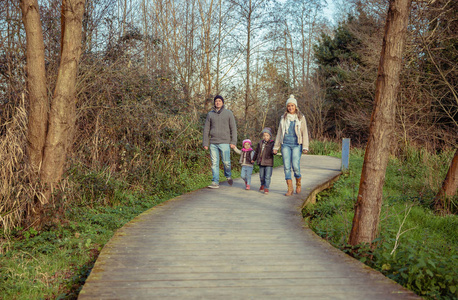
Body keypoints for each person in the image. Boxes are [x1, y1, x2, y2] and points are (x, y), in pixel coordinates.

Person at [273, 95, 309, 196]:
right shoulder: (283, 118)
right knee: (287, 166)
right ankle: (290, 188)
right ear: (287, 107)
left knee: (295, 165)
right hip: (285, 144)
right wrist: (276, 147)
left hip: (297, 144)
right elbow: (279, 133)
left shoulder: (301, 118)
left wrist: (305, 147)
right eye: (289, 106)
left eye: (292, 105)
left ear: (295, 106)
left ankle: (298, 182)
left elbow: (304, 132)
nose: (290, 108)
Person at [203, 95, 237, 189]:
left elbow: (233, 128)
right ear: (214, 103)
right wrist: (205, 143)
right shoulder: (210, 114)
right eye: (216, 101)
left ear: (222, 102)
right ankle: (215, 182)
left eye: (219, 101)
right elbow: (206, 129)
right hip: (213, 142)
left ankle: (228, 175)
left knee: (226, 162)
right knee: (214, 163)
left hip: (225, 142)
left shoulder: (228, 113)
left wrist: (233, 141)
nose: (217, 102)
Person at [253, 127, 275, 195]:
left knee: (267, 176)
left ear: (270, 136)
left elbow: (274, 151)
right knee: (262, 176)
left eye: (267, 135)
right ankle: (262, 184)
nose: (265, 137)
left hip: (268, 162)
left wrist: (274, 152)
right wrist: (253, 159)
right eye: (264, 135)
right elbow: (256, 152)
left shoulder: (272, 143)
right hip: (261, 162)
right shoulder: (260, 143)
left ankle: (266, 188)